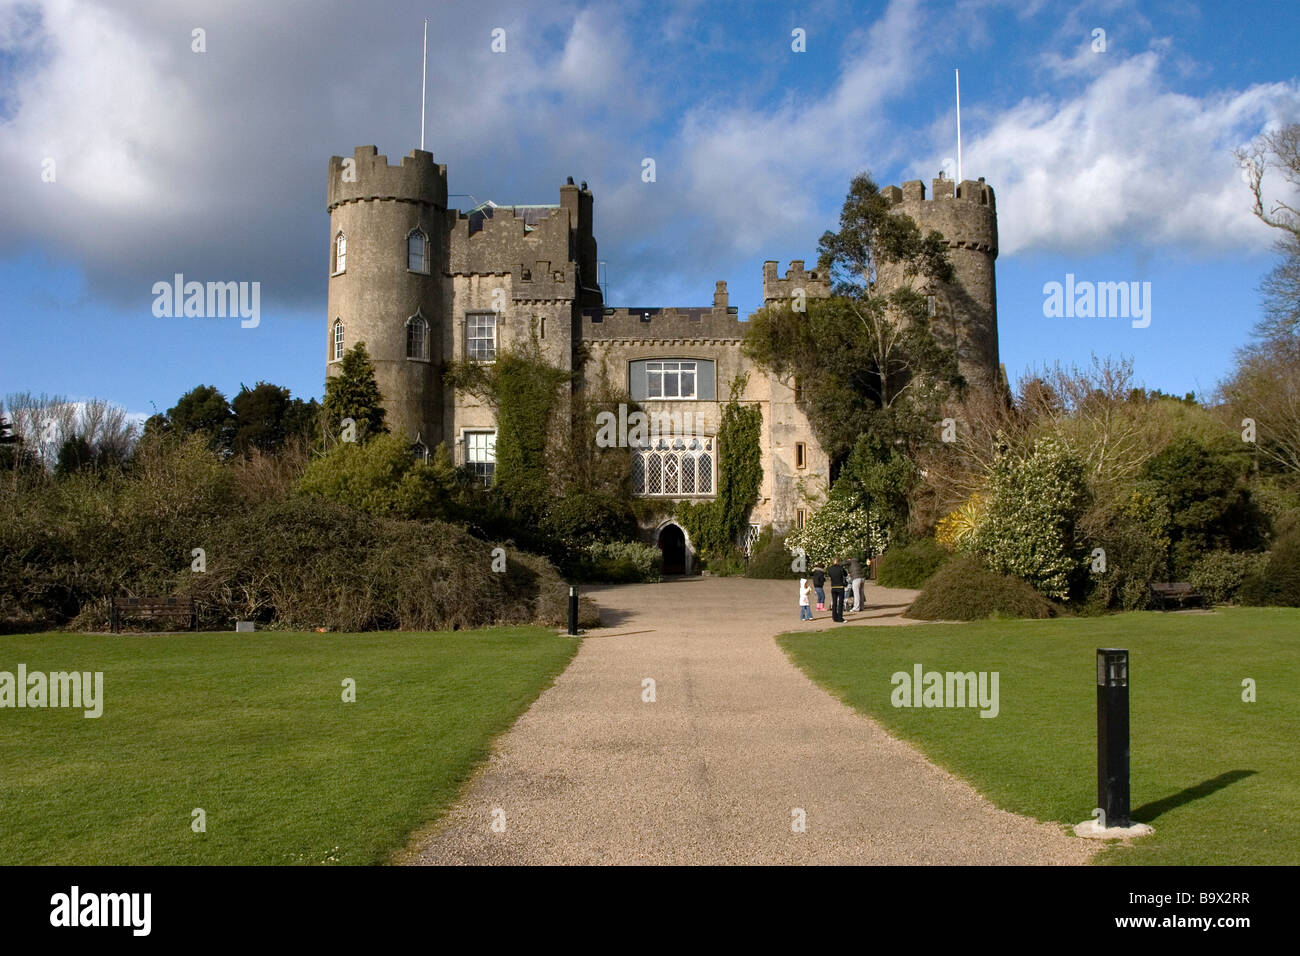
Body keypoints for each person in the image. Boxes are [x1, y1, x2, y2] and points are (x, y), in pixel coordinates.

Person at [828, 557, 848, 622]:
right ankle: (840, 618)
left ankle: (834, 617)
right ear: (838, 562)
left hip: (833, 587)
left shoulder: (830, 569)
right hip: (840, 587)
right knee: (840, 603)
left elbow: (830, 575)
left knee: (834, 603)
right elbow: (845, 574)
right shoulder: (840, 568)